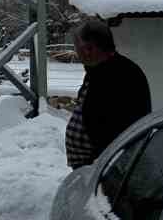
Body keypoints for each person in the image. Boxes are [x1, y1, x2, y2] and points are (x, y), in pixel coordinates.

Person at [65, 16, 151, 169]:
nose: (77, 53)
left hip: (106, 166)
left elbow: (116, 126)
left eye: (77, 48)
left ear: (90, 49)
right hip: (93, 164)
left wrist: (101, 161)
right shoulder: (97, 70)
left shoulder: (122, 75)